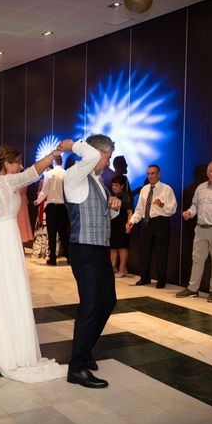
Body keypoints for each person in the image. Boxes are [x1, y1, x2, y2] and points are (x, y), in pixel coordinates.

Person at [0, 144, 68, 382]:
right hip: (4, 241)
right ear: (6, 164)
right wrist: (54, 155)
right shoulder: (6, 182)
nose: (20, 166)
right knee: (10, 293)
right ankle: (10, 351)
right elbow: (34, 171)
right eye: (17, 162)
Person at [63, 134, 122, 388]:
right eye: (107, 157)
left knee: (108, 301)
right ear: (97, 153)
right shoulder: (74, 176)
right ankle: (76, 368)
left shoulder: (98, 181)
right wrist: (71, 146)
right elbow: (90, 156)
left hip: (99, 249)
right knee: (89, 306)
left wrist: (115, 205)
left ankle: (85, 350)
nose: (108, 163)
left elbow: (104, 212)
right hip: (84, 249)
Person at [176, 161, 212, 302]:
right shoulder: (200, 188)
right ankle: (193, 288)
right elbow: (195, 206)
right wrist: (189, 213)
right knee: (197, 260)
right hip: (200, 228)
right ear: (207, 173)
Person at [126, 165, 177, 289]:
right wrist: (132, 221)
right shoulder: (144, 189)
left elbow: (173, 209)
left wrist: (162, 204)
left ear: (158, 174)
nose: (150, 176)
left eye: (153, 173)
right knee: (144, 252)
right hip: (146, 222)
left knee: (161, 253)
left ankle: (161, 280)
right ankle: (144, 278)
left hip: (161, 222)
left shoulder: (167, 189)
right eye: (148, 173)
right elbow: (139, 209)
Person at [34, 155, 69, 265]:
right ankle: (69, 257)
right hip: (63, 207)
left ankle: (52, 258)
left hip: (51, 208)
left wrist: (38, 201)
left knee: (52, 233)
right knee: (64, 234)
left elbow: (45, 191)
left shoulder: (48, 174)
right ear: (61, 162)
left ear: (54, 162)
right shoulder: (66, 174)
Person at [109, 175, 132, 278]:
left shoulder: (126, 196)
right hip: (113, 225)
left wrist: (129, 224)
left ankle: (123, 269)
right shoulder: (111, 196)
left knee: (122, 247)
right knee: (113, 247)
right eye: (113, 185)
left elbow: (129, 212)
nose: (114, 187)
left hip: (122, 225)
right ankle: (113, 268)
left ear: (122, 186)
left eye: (116, 185)